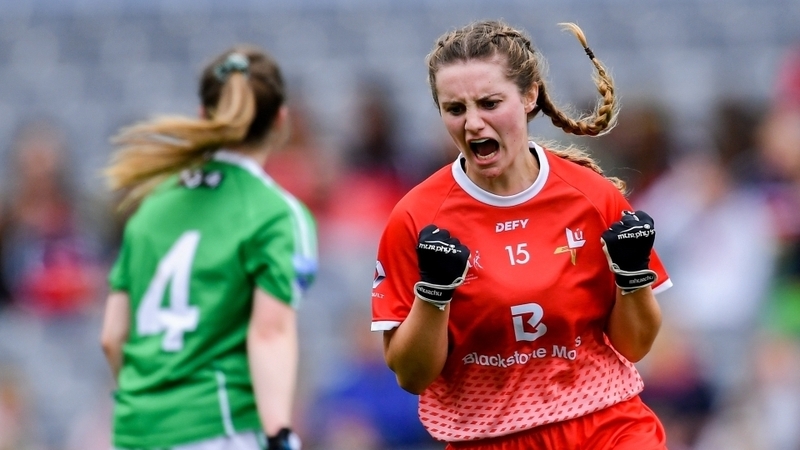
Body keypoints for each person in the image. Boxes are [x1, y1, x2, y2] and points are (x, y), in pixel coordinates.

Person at [370, 19, 673, 449]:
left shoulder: (591, 197)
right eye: (455, 109)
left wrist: (633, 278)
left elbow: (636, 345)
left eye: (489, 103)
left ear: (530, 96)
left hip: (607, 427)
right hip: (488, 438)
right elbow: (411, 375)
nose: (473, 123)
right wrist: (433, 295)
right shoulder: (417, 218)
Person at [100, 45, 317, 450]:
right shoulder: (276, 214)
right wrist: (279, 433)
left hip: (135, 431)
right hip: (221, 427)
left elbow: (113, 336)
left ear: (203, 115)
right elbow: (270, 333)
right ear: (279, 121)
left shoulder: (151, 205)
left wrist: (148, 405)